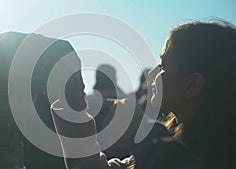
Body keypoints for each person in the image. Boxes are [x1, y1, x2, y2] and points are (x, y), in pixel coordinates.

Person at [50, 20, 236, 169]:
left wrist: (140, 130)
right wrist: (74, 111)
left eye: (163, 66)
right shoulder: (176, 142)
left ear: (191, 85)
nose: (153, 73)